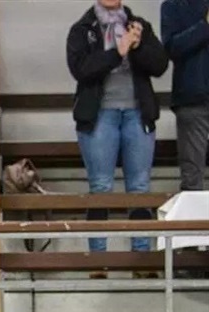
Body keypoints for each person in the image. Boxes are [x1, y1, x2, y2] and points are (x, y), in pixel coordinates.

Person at [67, 0, 168, 256]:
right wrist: (117, 52)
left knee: (140, 188)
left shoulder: (138, 26)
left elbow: (160, 65)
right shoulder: (82, 29)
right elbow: (81, 70)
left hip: (137, 114)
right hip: (100, 115)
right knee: (101, 187)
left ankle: (141, 259)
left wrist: (138, 46)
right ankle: (98, 260)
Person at [161, 0, 209, 191]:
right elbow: (172, 48)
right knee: (192, 176)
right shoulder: (173, 6)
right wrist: (205, 25)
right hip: (192, 98)